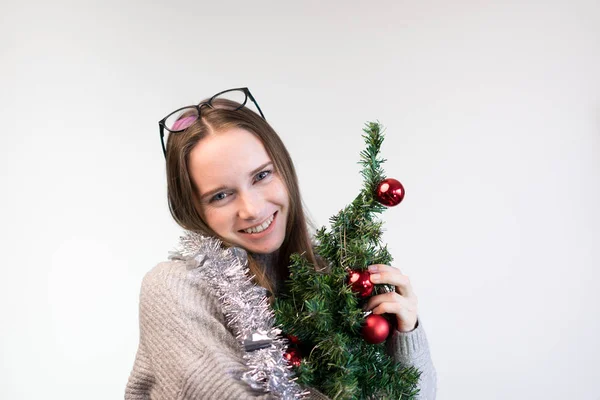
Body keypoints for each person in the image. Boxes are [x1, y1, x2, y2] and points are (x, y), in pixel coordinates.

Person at [125, 87, 437, 399]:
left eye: (261, 176)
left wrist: (405, 335)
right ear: (194, 209)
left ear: (283, 169)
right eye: (220, 195)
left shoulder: (331, 279)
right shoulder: (173, 288)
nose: (252, 209)